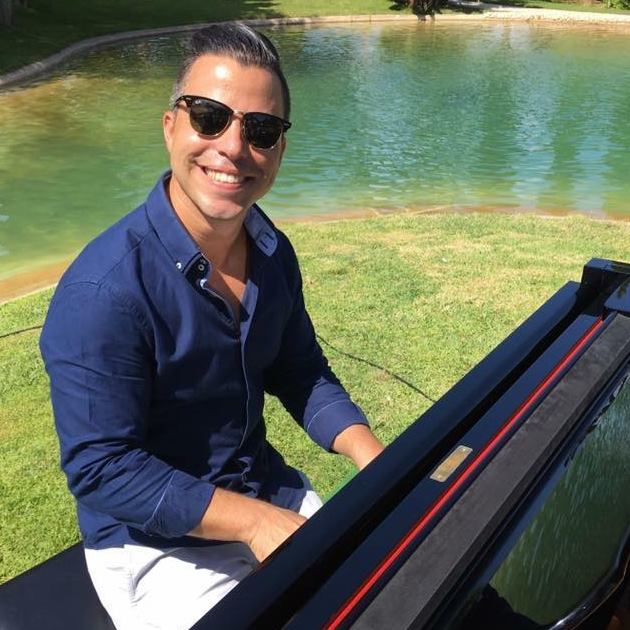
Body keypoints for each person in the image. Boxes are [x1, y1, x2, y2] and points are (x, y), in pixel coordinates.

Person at [39, 22, 384, 630]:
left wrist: (373, 455)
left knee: (398, 587)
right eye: (209, 117)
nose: (233, 147)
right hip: (155, 547)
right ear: (170, 125)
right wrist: (254, 522)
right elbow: (103, 469)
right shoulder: (102, 293)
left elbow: (300, 370)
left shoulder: (271, 252)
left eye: (261, 129)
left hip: (266, 492)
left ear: (279, 148)